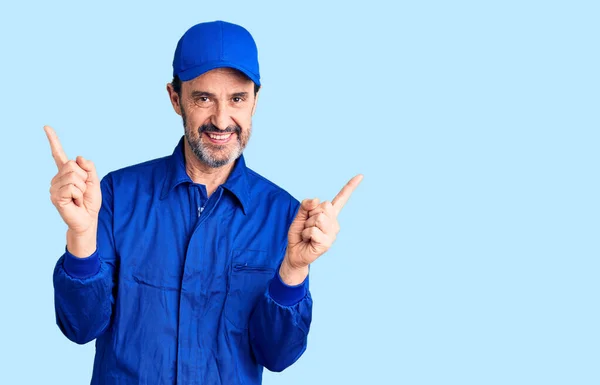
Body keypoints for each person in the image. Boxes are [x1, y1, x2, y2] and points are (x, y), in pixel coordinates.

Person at [46, 20, 362, 385]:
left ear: (256, 101)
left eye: (237, 99)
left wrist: (294, 270)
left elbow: (277, 356)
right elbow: (80, 327)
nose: (221, 120)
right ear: (175, 98)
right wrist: (82, 234)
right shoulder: (117, 195)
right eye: (203, 98)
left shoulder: (284, 218)